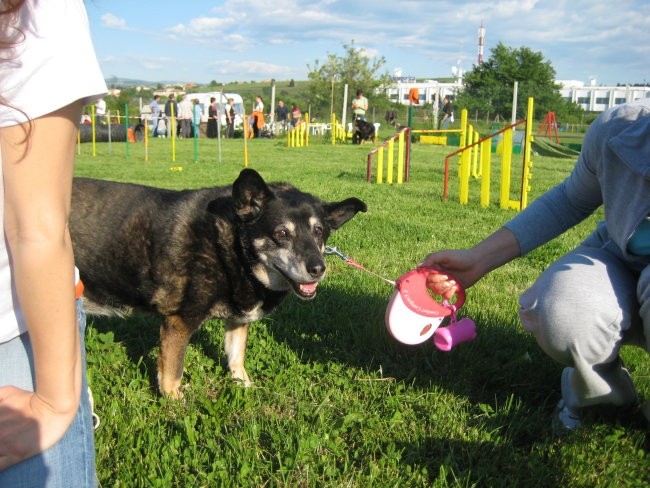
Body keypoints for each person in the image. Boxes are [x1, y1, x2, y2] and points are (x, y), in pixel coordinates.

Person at [421, 99, 650, 431]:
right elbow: (570, 200)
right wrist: (478, 259)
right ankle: (605, 392)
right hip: (623, 252)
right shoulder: (619, 129)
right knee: (562, 309)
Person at [0, 0, 107, 485]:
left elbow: (36, 227)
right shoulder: (38, 11)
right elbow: (36, 227)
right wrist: (57, 400)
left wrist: (57, 400)